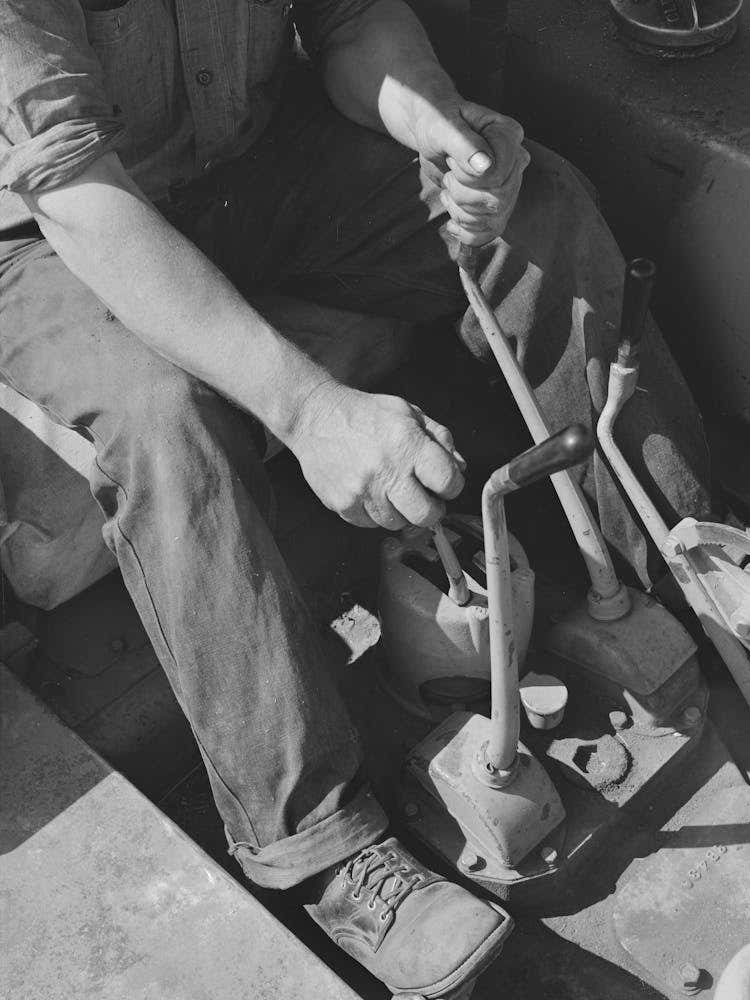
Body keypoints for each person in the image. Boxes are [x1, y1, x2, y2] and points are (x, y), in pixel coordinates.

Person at [0, 0, 711, 995]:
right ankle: (326, 846)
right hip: (56, 229)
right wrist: (307, 409)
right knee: (165, 418)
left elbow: (351, 22)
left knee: (538, 208)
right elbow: (72, 186)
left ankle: (695, 570)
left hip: (253, 166)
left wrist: (435, 122)